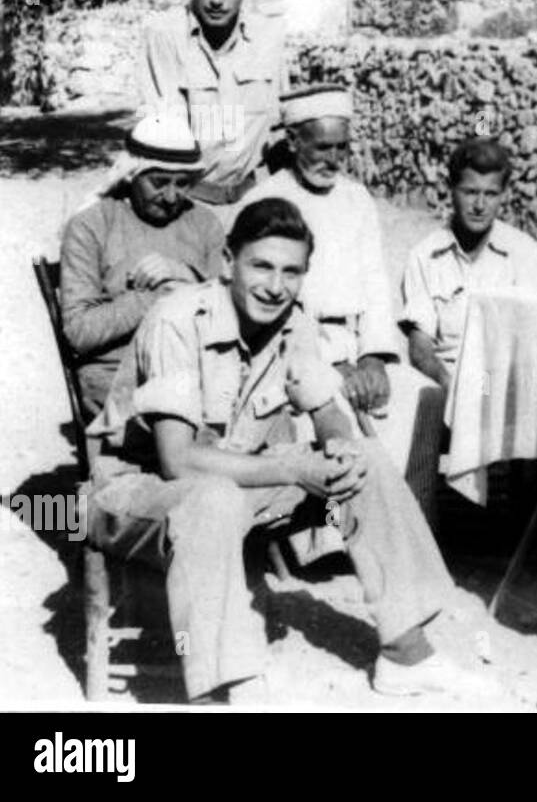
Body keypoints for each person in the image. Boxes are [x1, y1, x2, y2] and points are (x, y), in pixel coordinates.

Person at [87, 198, 492, 704]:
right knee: (213, 500)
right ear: (229, 262)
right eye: (261, 266)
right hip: (136, 494)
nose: (275, 286)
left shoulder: (292, 322)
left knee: (362, 459)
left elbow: (324, 406)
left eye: (290, 272)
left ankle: (405, 653)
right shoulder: (177, 320)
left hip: (235, 480)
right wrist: (293, 467)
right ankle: (225, 687)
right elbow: (179, 462)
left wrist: (338, 446)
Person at [241, 85, 430, 507]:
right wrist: (334, 363)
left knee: (420, 397)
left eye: (342, 149)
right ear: (293, 143)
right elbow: (270, 306)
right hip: (295, 355)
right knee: (329, 410)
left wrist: (374, 357)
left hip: (358, 347)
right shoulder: (266, 200)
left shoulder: (357, 199)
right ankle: (330, 539)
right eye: (322, 147)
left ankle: (413, 522)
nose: (333, 160)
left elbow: (375, 284)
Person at [399, 139, 537, 492]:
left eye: (490, 194)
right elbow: (419, 346)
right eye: (469, 192)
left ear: (503, 195)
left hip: (505, 376)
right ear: (451, 190)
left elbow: (532, 340)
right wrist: (448, 381)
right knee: (415, 405)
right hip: (445, 379)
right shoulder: (425, 255)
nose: (480, 205)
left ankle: (523, 528)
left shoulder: (523, 253)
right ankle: (423, 526)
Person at [60, 113, 225, 416]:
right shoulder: (92, 225)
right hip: (118, 379)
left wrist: (186, 276)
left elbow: (230, 309)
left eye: (183, 184)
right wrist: (160, 297)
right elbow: (80, 330)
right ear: (131, 174)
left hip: (197, 373)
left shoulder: (204, 224)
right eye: (159, 183)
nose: (172, 197)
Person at [138, 0, 287, 209]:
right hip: (186, 202)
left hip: (254, 198)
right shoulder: (165, 35)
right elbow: (159, 135)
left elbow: (280, 129)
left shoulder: (269, 38)